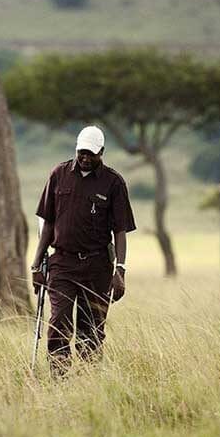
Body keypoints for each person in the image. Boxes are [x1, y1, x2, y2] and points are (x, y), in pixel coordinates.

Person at [31, 126, 136, 375]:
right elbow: (47, 223)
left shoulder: (113, 182)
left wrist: (119, 270)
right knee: (58, 322)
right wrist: (36, 265)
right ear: (76, 149)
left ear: (101, 152)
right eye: (82, 152)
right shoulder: (59, 174)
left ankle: (89, 379)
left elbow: (120, 231)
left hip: (97, 266)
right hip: (62, 264)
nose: (85, 158)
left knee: (91, 327)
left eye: (91, 153)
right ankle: (60, 377)